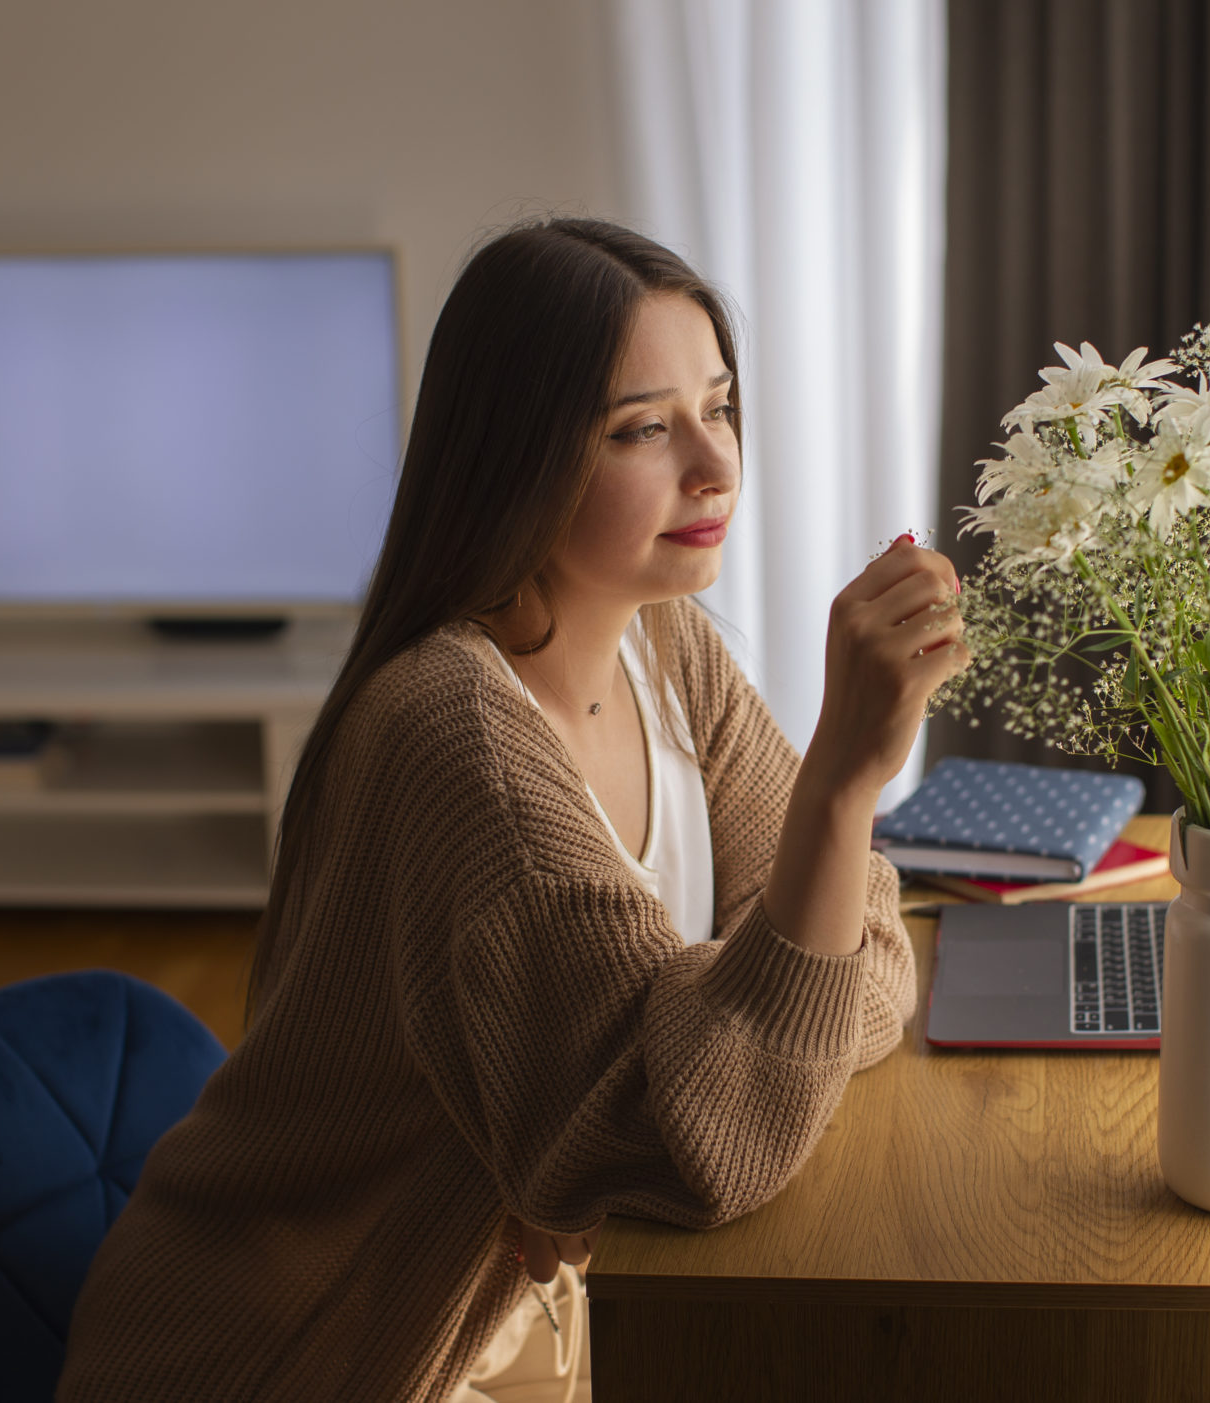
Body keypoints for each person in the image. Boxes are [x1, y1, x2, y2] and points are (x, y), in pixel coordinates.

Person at [57, 218, 965, 1403]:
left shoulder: (666, 643)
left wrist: (630, 1104)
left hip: (536, 1311)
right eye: (641, 427)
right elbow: (702, 1150)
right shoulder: (458, 740)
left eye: (719, 404)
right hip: (315, 1350)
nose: (715, 463)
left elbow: (864, 962)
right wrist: (842, 778)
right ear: (515, 456)